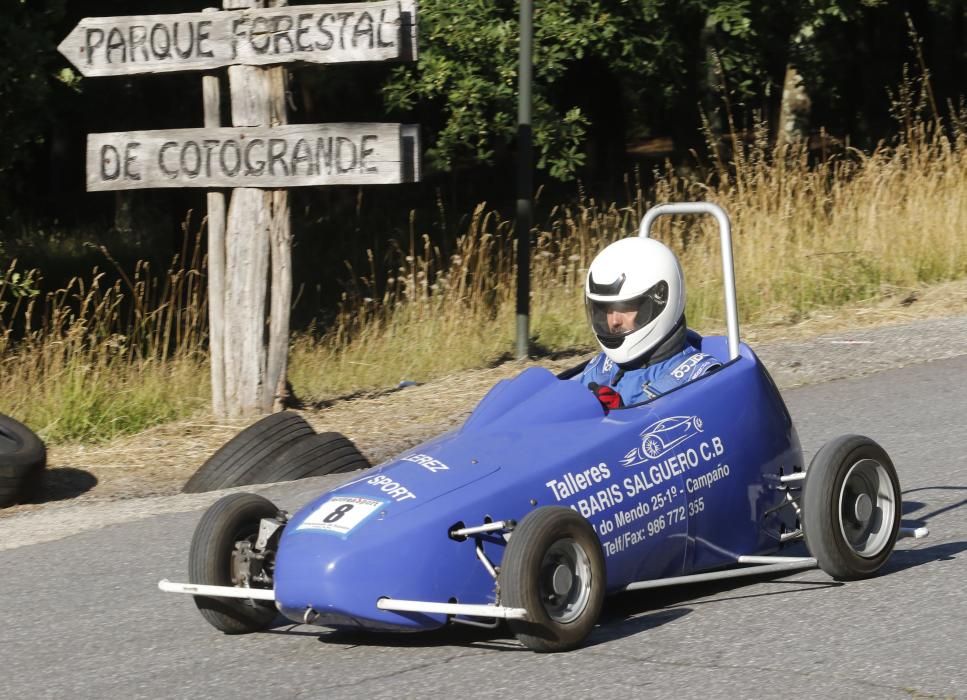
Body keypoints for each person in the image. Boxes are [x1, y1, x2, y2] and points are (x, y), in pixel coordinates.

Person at [578, 236, 721, 410]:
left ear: (660, 301)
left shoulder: (698, 377)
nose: (613, 321)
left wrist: (621, 415)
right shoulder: (600, 368)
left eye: (625, 307)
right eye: (605, 309)